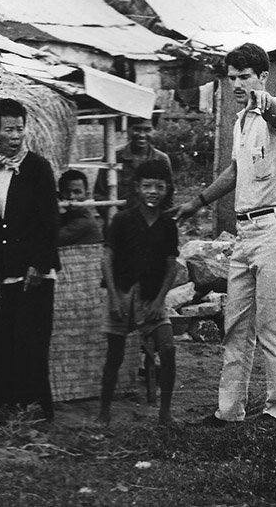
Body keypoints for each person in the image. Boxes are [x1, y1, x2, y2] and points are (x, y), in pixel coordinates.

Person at [169, 42, 276, 425]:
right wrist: (197, 202)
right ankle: (229, 411)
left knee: (274, 327)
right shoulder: (240, 122)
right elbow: (235, 171)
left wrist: (264, 102)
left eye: (245, 76)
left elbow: (275, 115)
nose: (238, 84)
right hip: (244, 233)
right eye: (232, 78)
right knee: (235, 326)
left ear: (263, 76)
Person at [0, 98, 61, 420]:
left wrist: (39, 266)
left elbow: (50, 221)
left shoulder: (39, 169)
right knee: (2, 344)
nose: (15, 136)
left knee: (30, 345)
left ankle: (36, 416)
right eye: (8, 130)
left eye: (19, 128)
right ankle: (3, 412)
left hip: (34, 274)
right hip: (6, 271)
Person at [97, 160, 179, 426]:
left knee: (167, 349)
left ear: (167, 189)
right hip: (122, 294)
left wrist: (159, 301)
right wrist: (113, 296)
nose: (153, 192)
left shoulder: (168, 225)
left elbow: (171, 266)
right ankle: (104, 412)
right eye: (147, 186)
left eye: (159, 186)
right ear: (137, 188)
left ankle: (165, 413)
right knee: (114, 357)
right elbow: (107, 258)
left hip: (151, 298)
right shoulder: (122, 220)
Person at [94, 115, 174, 212]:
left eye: (147, 130)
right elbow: (99, 194)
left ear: (154, 130)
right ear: (128, 129)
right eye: (137, 129)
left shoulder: (161, 159)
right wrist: (115, 217)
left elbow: (168, 197)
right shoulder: (113, 157)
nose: (142, 135)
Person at [57, 169, 104, 247]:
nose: (71, 197)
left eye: (77, 192)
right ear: (59, 195)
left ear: (87, 195)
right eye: (66, 192)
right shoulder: (69, 215)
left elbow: (46, 239)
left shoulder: (84, 222)